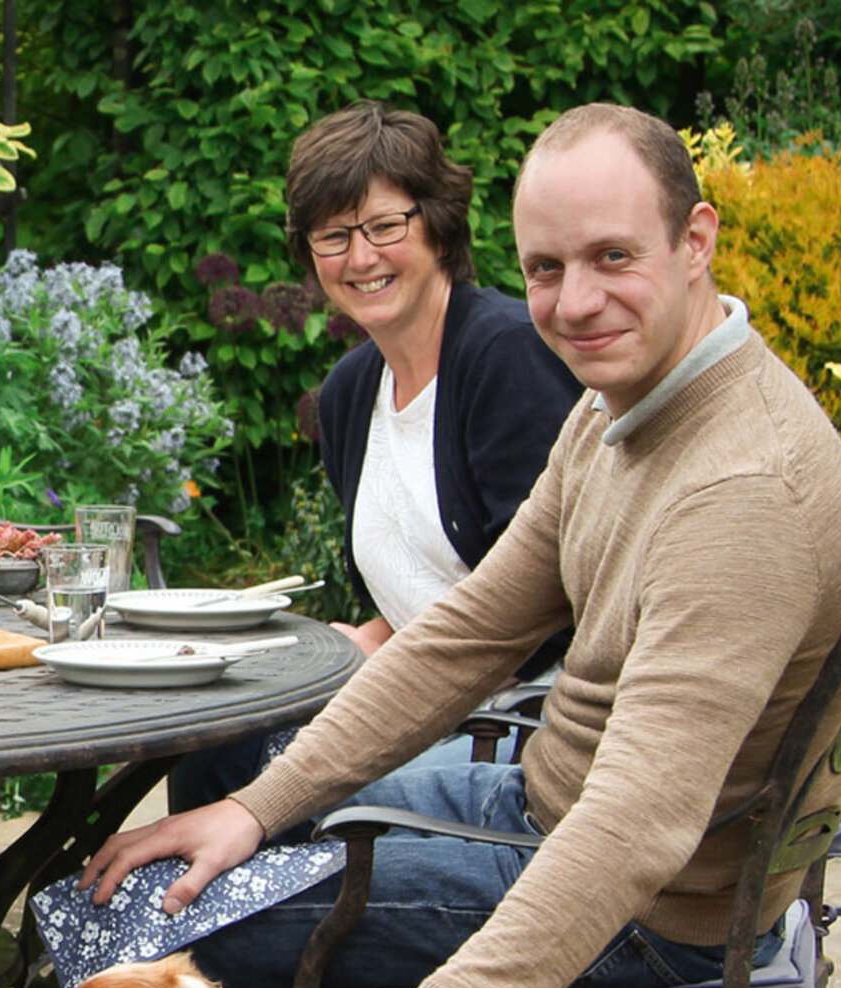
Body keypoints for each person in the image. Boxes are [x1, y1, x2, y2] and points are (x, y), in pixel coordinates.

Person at [0, 102, 841, 988]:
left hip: (655, 906)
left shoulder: (735, 488)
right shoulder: (621, 406)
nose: (574, 301)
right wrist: (255, 806)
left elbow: (638, 822)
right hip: (541, 802)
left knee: (161, 957)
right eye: (546, 268)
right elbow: (470, 629)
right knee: (153, 892)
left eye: (610, 257)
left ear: (694, 238)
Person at [167, 100, 578, 816]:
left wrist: (389, 665)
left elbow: (547, 598)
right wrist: (367, 635)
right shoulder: (350, 394)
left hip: (519, 726)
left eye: (385, 226)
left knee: (288, 814)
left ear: (438, 224)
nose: (360, 258)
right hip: (419, 703)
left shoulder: (503, 355)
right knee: (208, 748)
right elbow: (438, 581)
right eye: (333, 236)